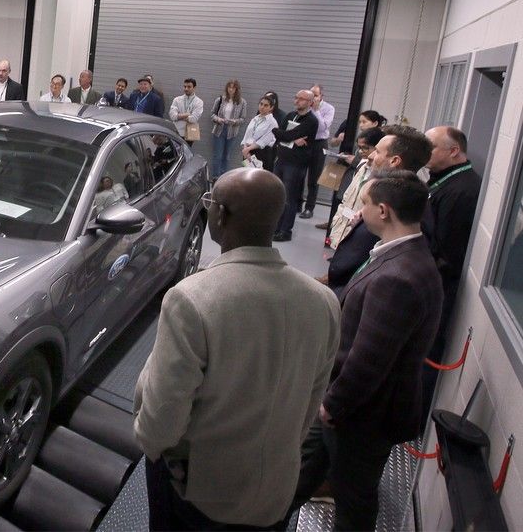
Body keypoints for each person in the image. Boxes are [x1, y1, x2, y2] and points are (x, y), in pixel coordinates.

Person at [134, 168, 340, 531]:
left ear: (220, 215)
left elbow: (163, 419)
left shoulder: (191, 299)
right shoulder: (324, 301)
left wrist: (150, 444)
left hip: (200, 492)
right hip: (274, 490)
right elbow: (311, 401)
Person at [288, 171, 442, 531]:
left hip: (361, 416)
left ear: (384, 211)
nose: (360, 212)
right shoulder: (406, 255)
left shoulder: (398, 277)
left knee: (354, 499)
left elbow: (369, 361)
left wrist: (332, 405)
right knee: (299, 475)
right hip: (349, 408)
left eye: (366, 204)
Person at [326, 125, 433, 291]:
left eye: (377, 151)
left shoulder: (408, 209)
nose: (370, 156)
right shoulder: (388, 195)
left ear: (394, 161)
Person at [422, 126, 482, 409]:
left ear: (454, 150)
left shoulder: (462, 191)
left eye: (431, 147)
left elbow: (447, 253)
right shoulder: (444, 182)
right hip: (430, 283)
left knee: (426, 355)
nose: (425, 153)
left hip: (437, 290)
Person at [325, 127, 385, 252]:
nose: (361, 152)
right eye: (359, 148)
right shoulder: (362, 166)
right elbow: (347, 197)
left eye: (365, 148)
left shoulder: (381, 176)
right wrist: (337, 220)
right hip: (343, 225)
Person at [271, 90, 319, 242]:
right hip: (282, 159)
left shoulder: (311, 121)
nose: (297, 101)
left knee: (289, 197)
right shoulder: (290, 115)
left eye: (301, 99)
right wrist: (289, 137)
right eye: (296, 98)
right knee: (278, 195)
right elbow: (279, 133)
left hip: (296, 163)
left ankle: (285, 231)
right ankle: (275, 227)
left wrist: (287, 136)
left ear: (310, 102)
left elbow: (286, 134)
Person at [299, 84, 336, 218]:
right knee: (298, 174)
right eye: (311, 94)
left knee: (313, 178)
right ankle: (297, 203)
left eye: (315, 95)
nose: (313, 97)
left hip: (319, 144)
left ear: (321, 96)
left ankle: (309, 208)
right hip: (304, 142)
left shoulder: (329, 108)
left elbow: (322, 127)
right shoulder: (304, 106)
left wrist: (316, 111)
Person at [209, 80, 247, 178]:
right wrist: (218, 119)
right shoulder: (220, 99)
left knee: (226, 156)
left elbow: (243, 118)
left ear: (237, 89)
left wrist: (234, 121)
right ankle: (215, 177)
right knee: (218, 156)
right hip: (219, 130)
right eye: (229, 87)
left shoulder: (242, 102)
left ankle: (224, 177)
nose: (231, 90)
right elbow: (212, 114)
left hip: (232, 131)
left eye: (233, 88)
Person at [240, 95, 278, 171]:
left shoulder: (272, 122)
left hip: (262, 152)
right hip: (248, 151)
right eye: (261, 104)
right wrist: (245, 149)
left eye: (266, 105)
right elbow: (247, 136)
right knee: (247, 174)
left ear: (271, 107)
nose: (262, 107)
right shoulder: (255, 119)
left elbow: (265, 140)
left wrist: (248, 149)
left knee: (258, 176)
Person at [169, 79, 204, 146]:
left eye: (189, 87)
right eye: (185, 86)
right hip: (176, 132)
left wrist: (178, 116)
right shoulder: (177, 100)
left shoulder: (199, 102)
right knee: (174, 151)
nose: (186, 89)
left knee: (186, 152)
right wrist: (187, 114)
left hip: (190, 134)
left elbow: (194, 119)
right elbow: (172, 116)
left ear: (194, 88)